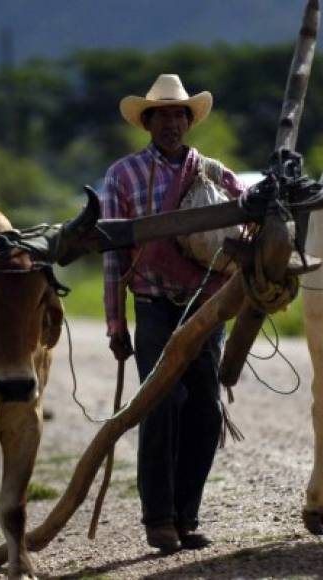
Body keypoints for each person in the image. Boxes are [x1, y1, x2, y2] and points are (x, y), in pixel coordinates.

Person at [99, 74, 245, 552]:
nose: (171, 123)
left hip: (205, 308)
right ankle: (158, 518)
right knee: (161, 406)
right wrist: (116, 323)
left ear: (188, 121)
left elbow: (247, 224)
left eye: (179, 114)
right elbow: (112, 257)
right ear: (147, 122)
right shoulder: (122, 177)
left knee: (205, 409)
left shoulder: (217, 175)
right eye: (161, 115)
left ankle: (187, 516)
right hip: (153, 304)